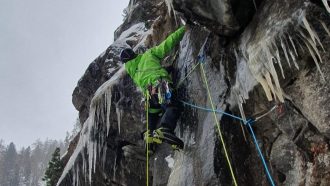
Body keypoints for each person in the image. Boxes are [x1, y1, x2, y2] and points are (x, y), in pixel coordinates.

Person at [120, 26, 186, 154]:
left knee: (152, 114)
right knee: (173, 105)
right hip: (160, 86)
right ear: (134, 54)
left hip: (150, 97)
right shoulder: (148, 55)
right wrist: (184, 29)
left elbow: (147, 75)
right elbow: (168, 44)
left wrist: (165, 70)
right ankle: (166, 129)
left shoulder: (133, 72)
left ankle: (149, 137)